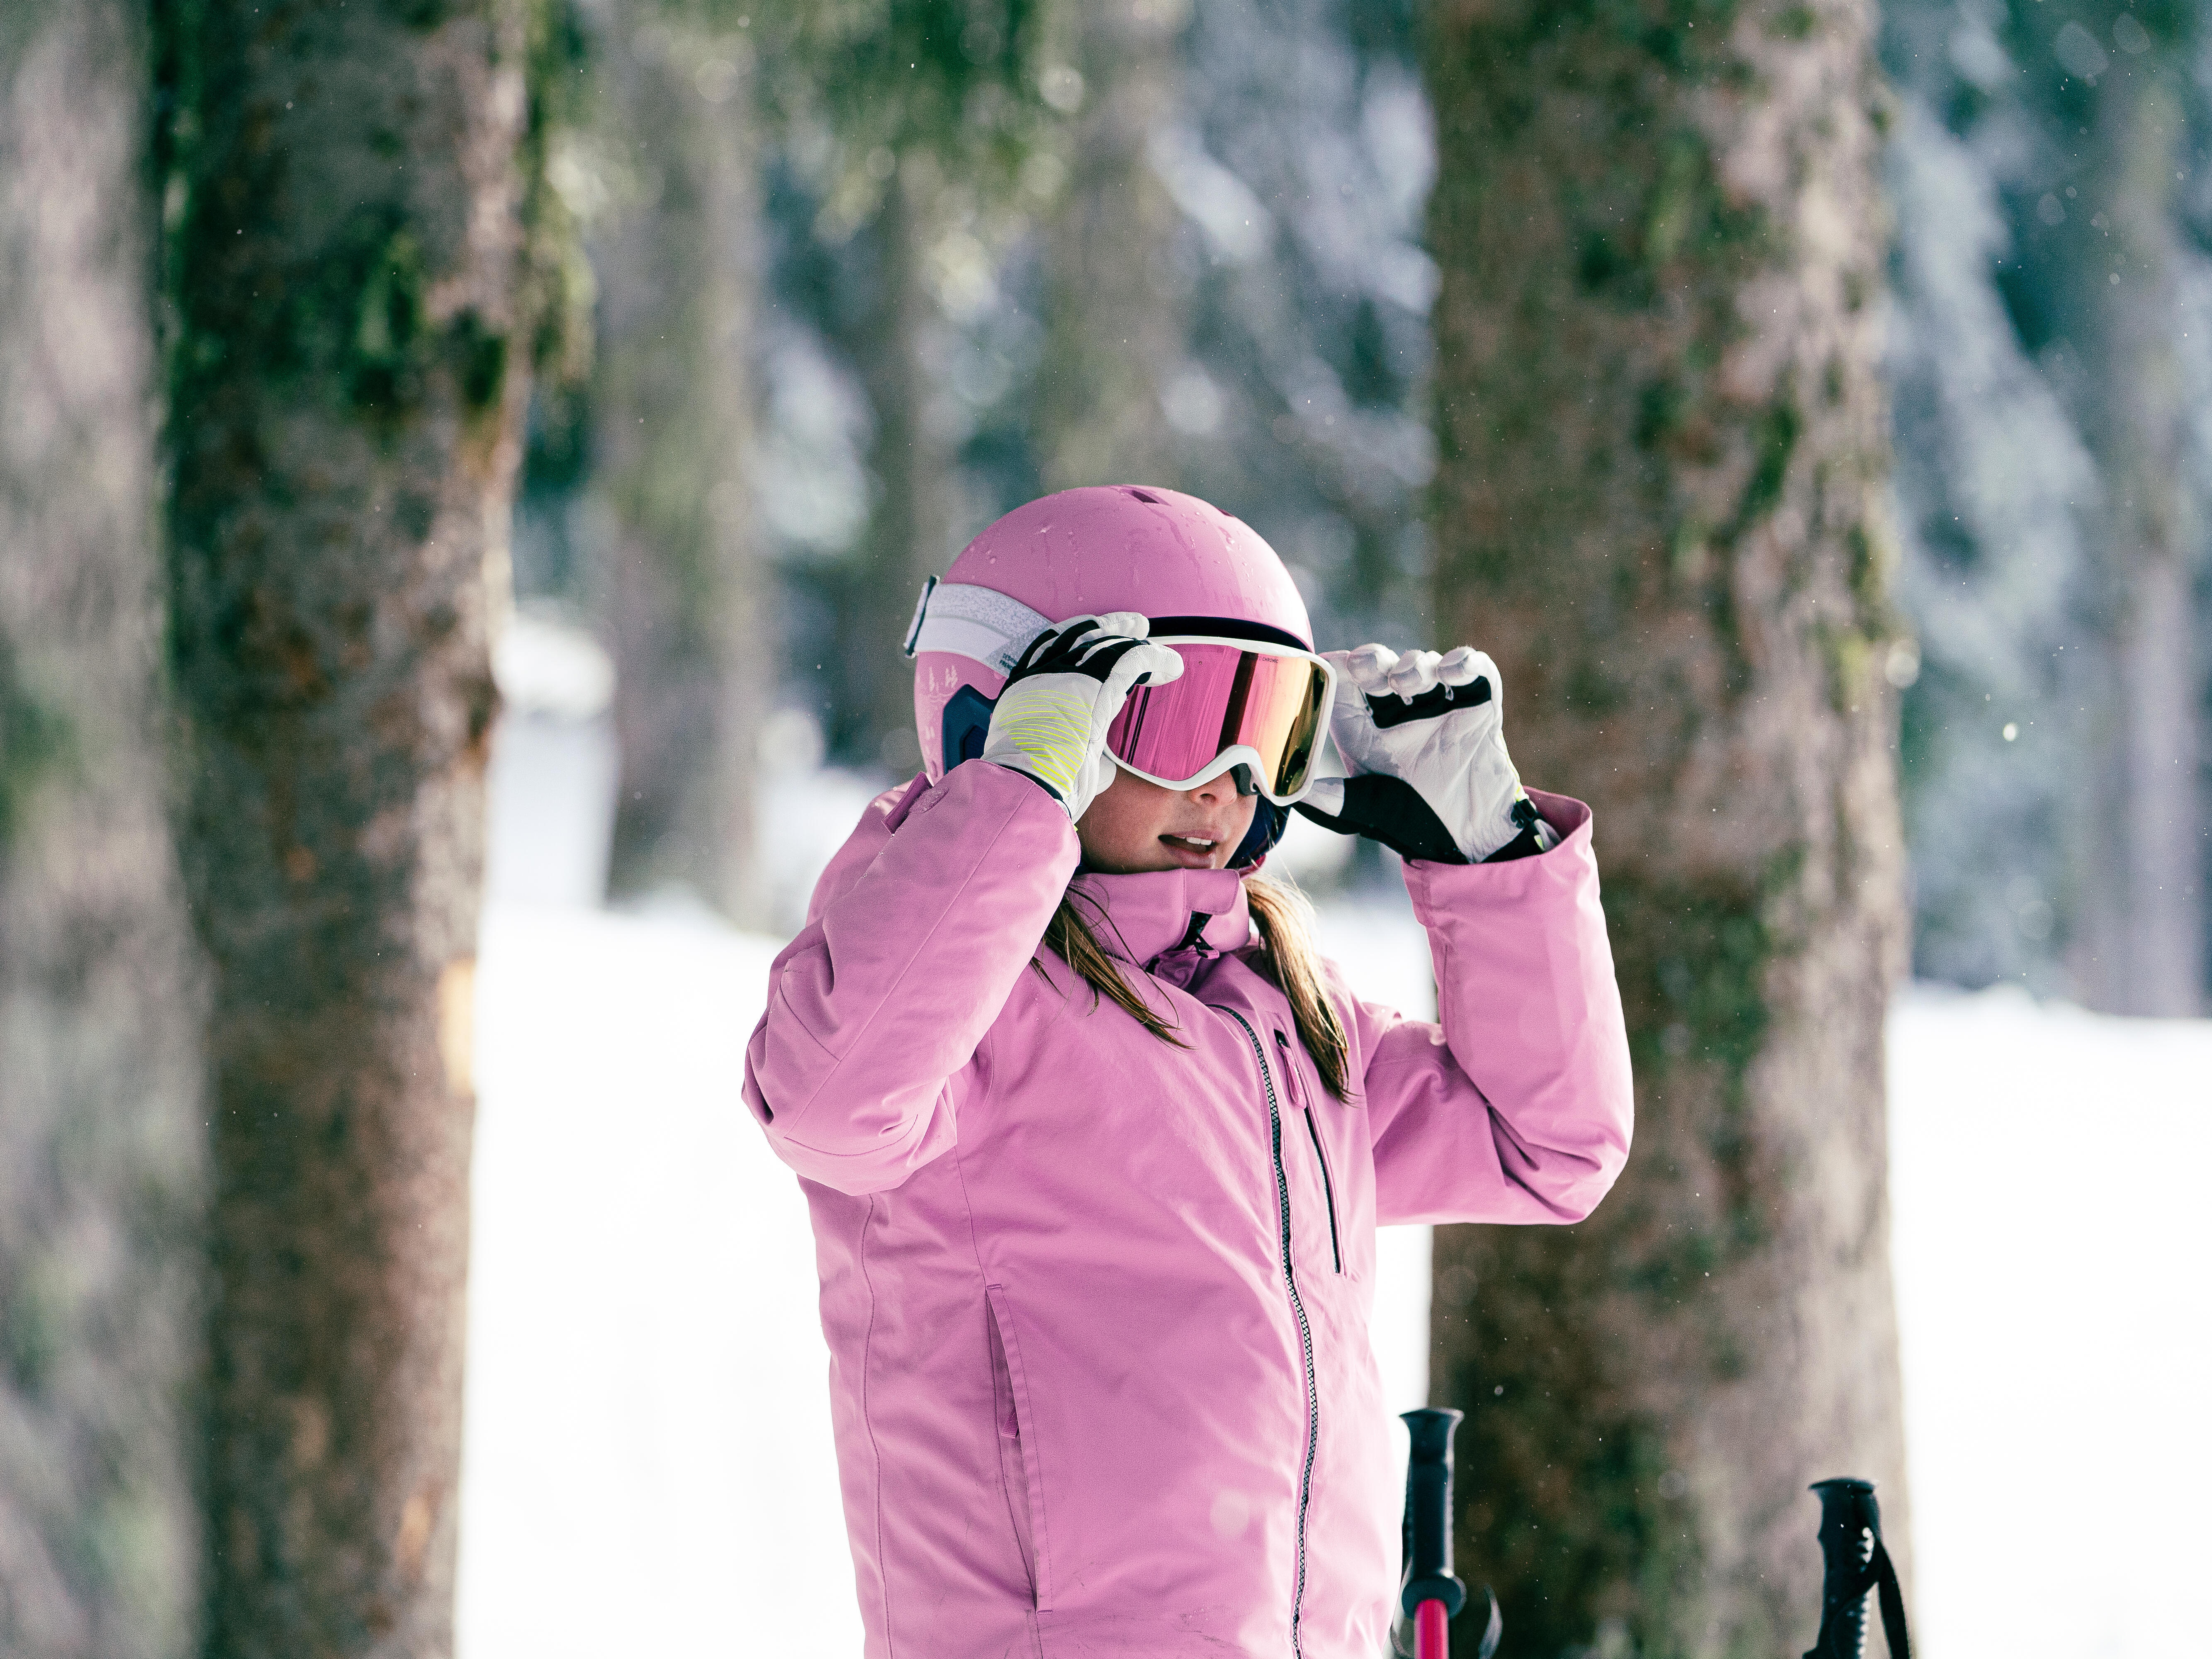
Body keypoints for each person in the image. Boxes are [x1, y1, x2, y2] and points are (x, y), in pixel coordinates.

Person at [742, 485, 1634, 1659]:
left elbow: (1550, 1147)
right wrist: (1013, 803)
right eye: (1167, 720)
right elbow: (830, 1104)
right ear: (1010, 711)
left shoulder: (1282, 1019)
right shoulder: (961, 1005)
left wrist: (1484, 849)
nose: (1223, 783)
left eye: (1262, 726)